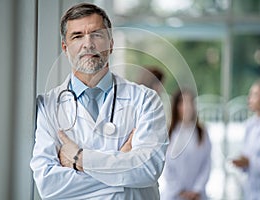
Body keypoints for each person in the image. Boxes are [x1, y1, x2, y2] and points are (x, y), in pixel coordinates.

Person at [30, 3, 168, 200]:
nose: (88, 44)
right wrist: (123, 172)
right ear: (65, 47)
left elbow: (148, 168)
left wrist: (79, 159)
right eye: (77, 36)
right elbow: (49, 186)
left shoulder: (145, 100)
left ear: (111, 43)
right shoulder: (48, 106)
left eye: (97, 34)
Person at [160, 88, 212, 200]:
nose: (187, 106)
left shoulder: (202, 132)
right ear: (176, 106)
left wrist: (196, 190)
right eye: (183, 102)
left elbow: (206, 164)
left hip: (197, 195)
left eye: (190, 102)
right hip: (174, 194)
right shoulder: (168, 133)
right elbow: (166, 166)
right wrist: (180, 191)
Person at [232, 79, 260, 200]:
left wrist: (251, 163)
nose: (249, 98)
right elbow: (247, 153)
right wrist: (242, 162)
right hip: (251, 189)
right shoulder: (250, 125)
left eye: (255, 95)